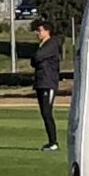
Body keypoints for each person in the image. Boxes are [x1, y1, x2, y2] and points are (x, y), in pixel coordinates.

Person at [31, 20, 63, 152]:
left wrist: (37, 60)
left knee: (47, 112)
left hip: (48, 82)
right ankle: (51, 141)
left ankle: (53, 142)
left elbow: (38, 57)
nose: (37, 33)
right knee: (44, 113)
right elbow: (34, 61)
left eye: (40, 30)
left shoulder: (51, 44)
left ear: (47, 31)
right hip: (40, 82)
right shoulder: (42, 45)